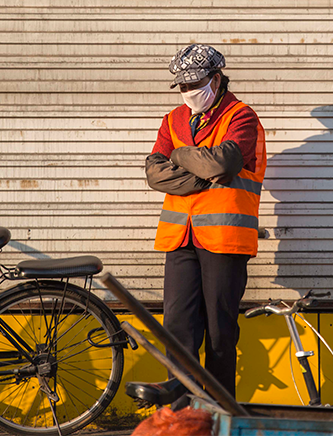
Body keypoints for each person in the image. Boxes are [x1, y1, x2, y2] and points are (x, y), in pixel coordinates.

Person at [126, 44, 267, 408]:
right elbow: (153, 173)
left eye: (195, 84)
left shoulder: (241, 117)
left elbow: (222, 165)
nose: (189, 93)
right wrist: (199, 171)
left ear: (215, 80)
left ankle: (218, 415)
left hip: (224, 239)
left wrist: (178, 154)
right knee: (178, 329)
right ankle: (181, 414)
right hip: (180, 238)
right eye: (183, 87)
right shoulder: (173, 119)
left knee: (220, 334)